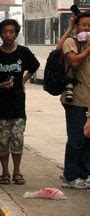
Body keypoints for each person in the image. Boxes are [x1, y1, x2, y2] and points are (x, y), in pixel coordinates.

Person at [0, 18, 40, 186]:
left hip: (17, 103)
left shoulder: (24, 52)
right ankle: (5, 172)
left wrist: (23, 81)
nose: (8, 35)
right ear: (0, 33)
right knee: (2, 140)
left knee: (17, 139)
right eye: (5, 32)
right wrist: (0, 85)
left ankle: (17, 171)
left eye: (11, 32)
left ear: (16, 33)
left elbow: (34, 66)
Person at [60, 11, 90, 189]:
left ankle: (84, 174)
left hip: (88, 100)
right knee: (76, 139)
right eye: (84, 25)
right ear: (77, 27)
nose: (87, 28)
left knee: (88, 140)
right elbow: (74, 63)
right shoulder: (71, 42)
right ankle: (70, 176)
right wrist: (88, 48)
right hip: (75, 100)